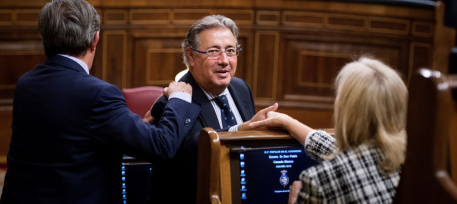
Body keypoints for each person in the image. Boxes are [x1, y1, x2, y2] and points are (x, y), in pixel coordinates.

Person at [0, 0, 200, 204]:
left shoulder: (25, 83)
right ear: (95, 39)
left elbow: (69, 142)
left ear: (45, 37)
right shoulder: (98, 94)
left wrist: (134, 128)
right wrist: (179, 98)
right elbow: (161, 146)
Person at [146, 15, 278, 203]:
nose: (224, 60)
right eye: (214, 51)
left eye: (230, 51)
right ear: (191, 56)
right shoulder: (174, 101)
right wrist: (243, 130)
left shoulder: (241, 88)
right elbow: (192, 150)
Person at [249, 57, 408, 204]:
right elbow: (343, 151)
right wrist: (289, 123)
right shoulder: (415, 163)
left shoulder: (320, 181)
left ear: (347, 113)